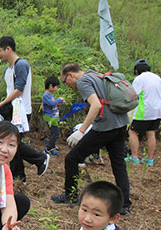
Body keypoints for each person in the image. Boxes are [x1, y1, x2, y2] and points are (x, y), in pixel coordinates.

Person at [51, 63, 132, 215]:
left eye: (65, 81)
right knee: (118, 164)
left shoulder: (83, 81)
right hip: (120, 124)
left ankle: (71, 196)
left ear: (70, 75)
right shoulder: (96, 75)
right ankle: (124, 204)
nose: (67, 85)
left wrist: (81, 131)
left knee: (72, 158)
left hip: (105, 127)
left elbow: (95, 106)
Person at [0, 36, 49, 183]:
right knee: (11, 143)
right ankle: (18, 178)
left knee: (12, 143)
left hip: (21, 113)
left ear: (8, 49)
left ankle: (40, 158)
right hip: (12, 111)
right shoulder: (8, 69)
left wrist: (1, 104)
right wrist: (2, 105)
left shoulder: (21, 65)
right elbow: (11, 91)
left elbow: (19, 90)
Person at [125, 59, 161, 166]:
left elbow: (133, 95)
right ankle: (150, 159)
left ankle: (134, 157)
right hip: (157, 111)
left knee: (132, 132)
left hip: (143, 111)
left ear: (137, 71)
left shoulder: (139, 79)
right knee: (151, 133)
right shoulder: (157, 77)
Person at [42, 76, 65, 156]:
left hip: (54, 118)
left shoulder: (50, 95)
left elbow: (52, 104)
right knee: (55, 133)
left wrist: (59, 103)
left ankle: (51, 146)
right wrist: (59, 99)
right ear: (51, 86)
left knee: (55, 133)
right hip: (50, 118)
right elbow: (52, 103)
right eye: (56, 86)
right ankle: (48, 149)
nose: (56, 88)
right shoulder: (46, 95)